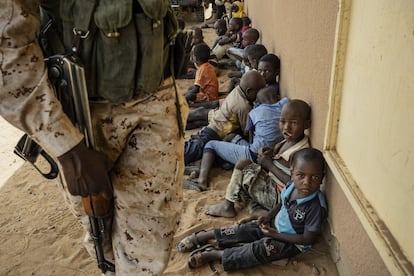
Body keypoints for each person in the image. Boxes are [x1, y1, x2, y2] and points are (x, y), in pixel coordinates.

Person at [0, 1, 188, 275]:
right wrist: (67, 147)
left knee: (148, 250)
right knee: (100, 232)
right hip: (82, 115)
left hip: (157, 101)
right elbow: (7, 46)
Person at [177, 148, 328, 272]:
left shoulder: (315, 206)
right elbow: (282, 204)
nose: (306, 183)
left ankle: (215, 254)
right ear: (292, 171)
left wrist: (276, 235)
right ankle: (206, 235)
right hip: (276, 226)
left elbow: (307, 239)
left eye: (314, 177)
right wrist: (268, 217)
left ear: (322, 177)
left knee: (259, 250)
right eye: (301, 175)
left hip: (292, 243)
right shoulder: (291, 186)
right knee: (246, 229)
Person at [205, 99, 311, 217]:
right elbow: (280, 159)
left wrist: (269, 165)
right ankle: (257, 210)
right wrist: (271, 153)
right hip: (272, 187)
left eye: (294, 123)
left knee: (243, 164)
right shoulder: (289, 140)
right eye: (282, 121)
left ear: (307, 124)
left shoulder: (301, 153)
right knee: (245, 183)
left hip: (278, 196)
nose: (286, 127)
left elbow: (295, 184)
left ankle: (227, 206)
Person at [184, 88, 289, 191]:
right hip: (271, 153)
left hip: (255, 155)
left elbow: (249, 135)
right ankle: (212, 163)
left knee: (210, 145)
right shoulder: (285, 105)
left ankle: (202, 180)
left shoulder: (255, 112)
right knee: (231, 137)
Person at [184, 70, 266, 165]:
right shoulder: (244, 106)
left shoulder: (238, 90)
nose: (260, 95)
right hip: (216, 133)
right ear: (249, 91)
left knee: (195, 146)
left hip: (214, 125)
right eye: (259, 92)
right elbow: (247, 131)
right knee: (192, 151)